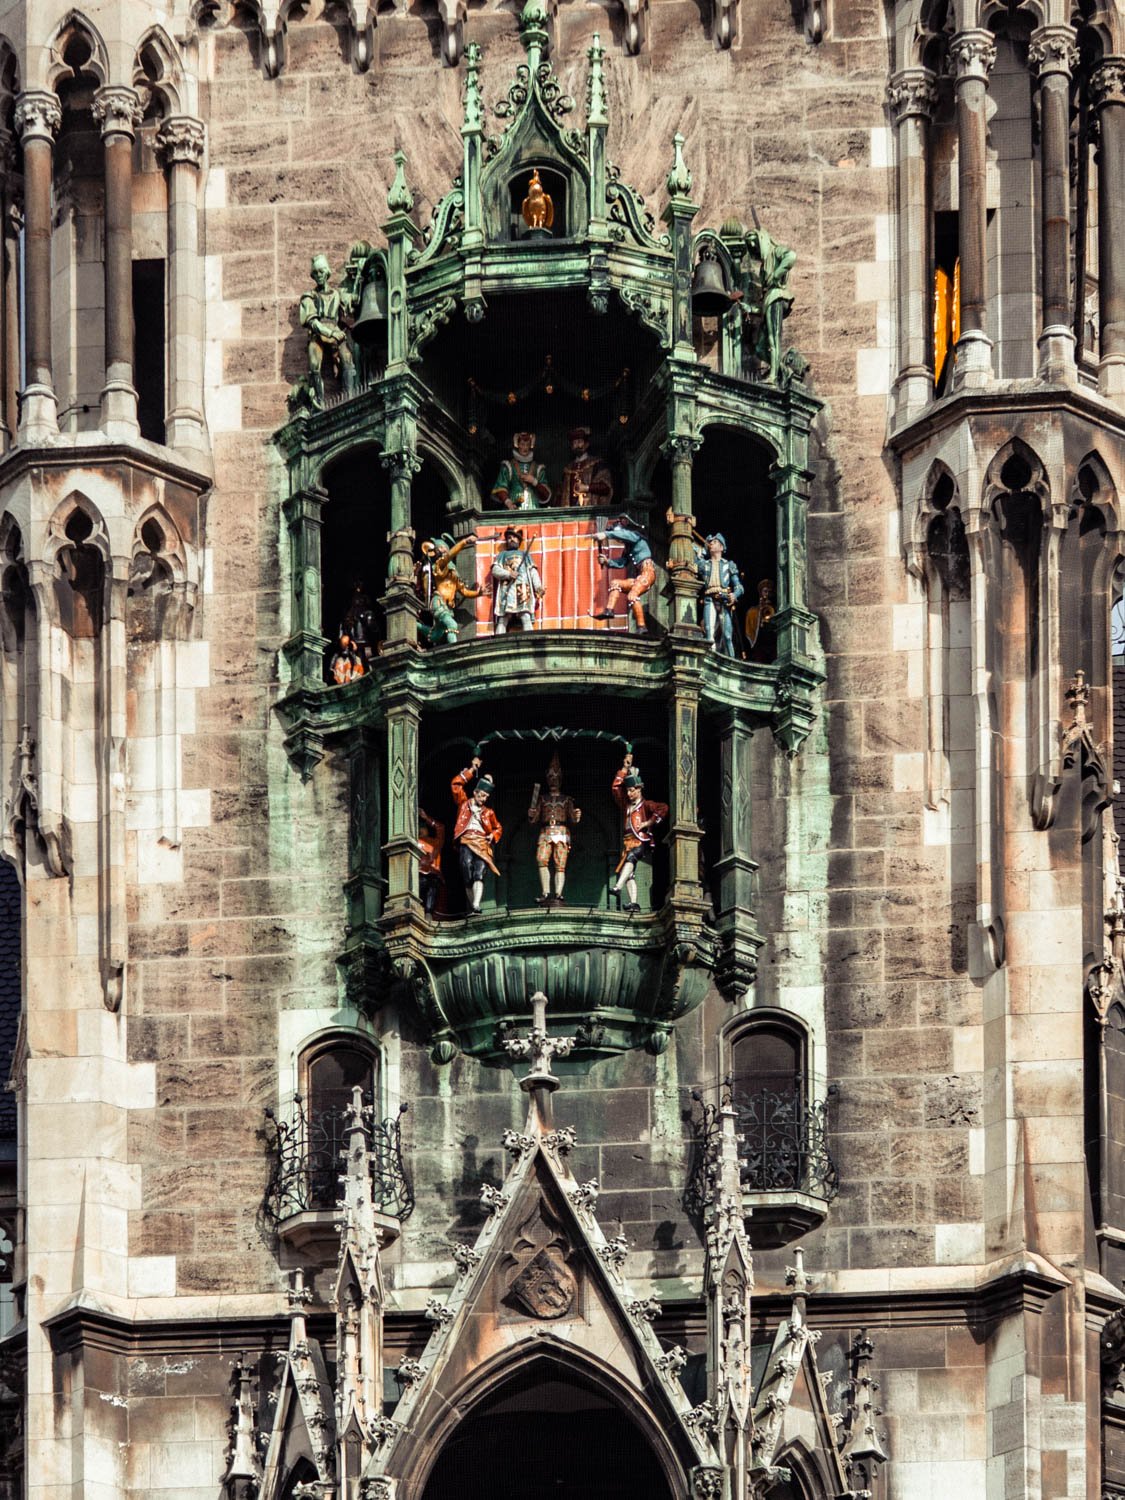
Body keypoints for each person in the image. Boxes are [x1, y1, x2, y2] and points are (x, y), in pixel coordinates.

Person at [610, 754, 668, 912]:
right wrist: (624, 768)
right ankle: (633, 903)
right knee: (629, 873)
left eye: (631, 790)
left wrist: (648, 823)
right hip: (627, 841)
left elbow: (663, 808)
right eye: (628, 791)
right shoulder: (626, 805)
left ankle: (617, 887)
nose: (629, 794)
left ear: (639, 789)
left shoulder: (646, 805)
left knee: (631, 858)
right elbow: (615, 788)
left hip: (640, 840)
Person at [298, 253, 357, 408]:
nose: (319, 275)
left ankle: (349, 396)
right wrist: (331, 333)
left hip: (335, 329)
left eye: (321, 271)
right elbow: (312, 322)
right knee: (314, 362)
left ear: (327, 272)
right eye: (315, 272)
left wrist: (357, 286)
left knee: (347, 358)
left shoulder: (337, 295)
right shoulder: (309, 296)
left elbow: (350, 308)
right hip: (319, 332)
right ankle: (319, 400)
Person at [528, 752, 581, 905]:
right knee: (541, 859)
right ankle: (545, 892)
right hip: (545, 831)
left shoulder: (567, 799)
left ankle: (558, 893)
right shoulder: (542, 798)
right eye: (551, 777)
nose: (553, 780)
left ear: (561, 779)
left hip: (561, 831)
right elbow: (534, 819)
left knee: (560, 863)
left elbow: (573, 818)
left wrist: (577, 815)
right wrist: (531, 814)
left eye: (556, 777)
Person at [451, 757, 503, 916]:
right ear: (475, 793)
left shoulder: (488, 812)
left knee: (479, 873)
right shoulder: (464, 804)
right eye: (482, 795)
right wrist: (472, 770)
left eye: (486, 796)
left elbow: (498, 827)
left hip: (481, 843)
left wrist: (492, 835)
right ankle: (473, 903)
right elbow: (456, 785)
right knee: (466, 870)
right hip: (466, 841)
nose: (484, 799)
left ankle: (476, 905)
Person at [591, 515, 656, 635]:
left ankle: (642, 627)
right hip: (640, 576)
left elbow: (624, 535)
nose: (620, 540)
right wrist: (607, 561)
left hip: (647, 572)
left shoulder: (635, 536)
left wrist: (606, 534)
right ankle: (609, 610)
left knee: (632, 595)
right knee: (615, 583)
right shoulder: (629, 548)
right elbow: (622, 562)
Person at [417, 534, 481, 646]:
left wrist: (478, 593)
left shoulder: (454, 574)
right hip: (439, 602)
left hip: (448, 607)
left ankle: (413, 625)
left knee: (435, 635)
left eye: (442, 547)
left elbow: (464, 591)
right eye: (439, 548)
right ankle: (454, 649)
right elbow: (449, 556)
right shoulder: (440, 565)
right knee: (452, 625)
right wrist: (464, 542)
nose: (441, 550)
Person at [694, 532, 744, 657]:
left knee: (727, 635)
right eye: (710, 542)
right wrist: (703, 549)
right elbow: (696, 560)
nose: (711, 544)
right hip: (709, 599)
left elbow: (739, 587)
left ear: (721, 547)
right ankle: (710, 658)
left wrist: (734, 595)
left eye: (715, 542)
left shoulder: (728, 565)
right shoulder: (704, 564)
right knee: (709, 632)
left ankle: (731, 660)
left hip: (724, 600)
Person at [492, 526, 544, 635]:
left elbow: (532, 571)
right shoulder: (502, 555)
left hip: (522, 588)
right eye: (509, 538)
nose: (511, 539)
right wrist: (508, 574)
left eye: (514, 537)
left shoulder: (525, 554)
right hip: (507, 588)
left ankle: (530, 640)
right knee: (503, 618)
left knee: (525, 616)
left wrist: (538, 587)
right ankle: (499, 641)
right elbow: (495, 570)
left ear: (519, 540)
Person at [490, 433, 552, 510]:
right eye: (522, 444)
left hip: (533, 507)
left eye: (527, 445)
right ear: (518, 445)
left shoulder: (538, 468)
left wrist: (534, 481)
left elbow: (546, 495)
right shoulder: (508, 466)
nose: (525, 448)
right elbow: (500, 488)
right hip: (514, 505)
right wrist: (508, 502)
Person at [559, 427, 613, 509]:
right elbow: (561, 492)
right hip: (570, 511)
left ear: (586, 444)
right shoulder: (568, 469)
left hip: (591, 509)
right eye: (575, 443)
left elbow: (606, 487)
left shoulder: (597, 464)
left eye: (580, 442)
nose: (577, 445)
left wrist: (587, 488)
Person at [418, 808, 445, 917]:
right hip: (418, 874)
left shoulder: (435, 842)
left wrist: (426, 818)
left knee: (433, 885)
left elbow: (441, 828)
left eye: (423, 827)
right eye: (419, 828)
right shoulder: (414, 841)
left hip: (433, 874)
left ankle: (429, 913)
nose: (421, 830)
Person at [744, 578, 777, 662]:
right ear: (761, 593)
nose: (767, 594)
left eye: (770, 592)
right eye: (765, 591)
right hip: (759, 645)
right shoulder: (753, 611)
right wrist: (759, 614)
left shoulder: (775, 609)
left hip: (771, 643)